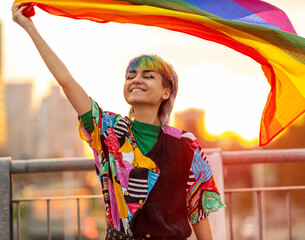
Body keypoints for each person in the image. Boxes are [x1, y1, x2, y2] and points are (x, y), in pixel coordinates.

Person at [12, 3, 225, 240]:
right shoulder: (109, 132)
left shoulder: (186, 144)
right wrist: (30, 28)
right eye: (130, 75)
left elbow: (198, 211)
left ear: (166, 92)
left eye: (148, 75)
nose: (136, 80)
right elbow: (66, 82)